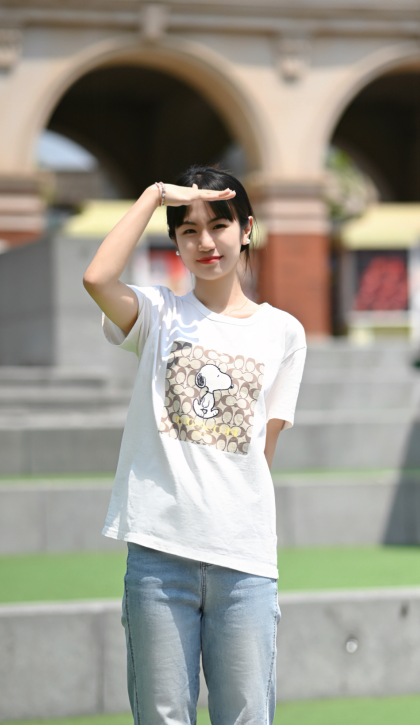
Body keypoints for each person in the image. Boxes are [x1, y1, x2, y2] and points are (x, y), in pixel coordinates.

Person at [83, 165, 307, 726]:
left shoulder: (284, 333)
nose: (205, 242)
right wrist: (157, 195)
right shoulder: (158, 313)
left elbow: (261, 453)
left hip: (244, 565)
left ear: (246, 229)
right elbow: (97, 278)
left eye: (219, 225)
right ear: (175, 242)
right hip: (160, 560)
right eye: (189, 230)